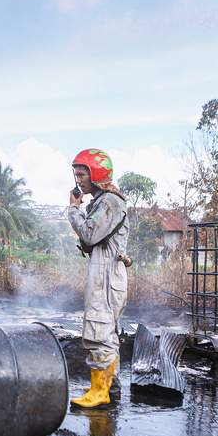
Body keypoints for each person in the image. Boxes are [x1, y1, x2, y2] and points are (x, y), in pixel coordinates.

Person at [66, 148, 130, 408]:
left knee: (98, 329)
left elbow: (89, 235)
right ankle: (109, 386)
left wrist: (73, 209)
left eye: (82, 174)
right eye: (76, 174)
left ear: (96, 173)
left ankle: (99, 391)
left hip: (106, 274)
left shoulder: (109, 203)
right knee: (108, 331)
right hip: (108, 272)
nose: (78, 180)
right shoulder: (105, 202)